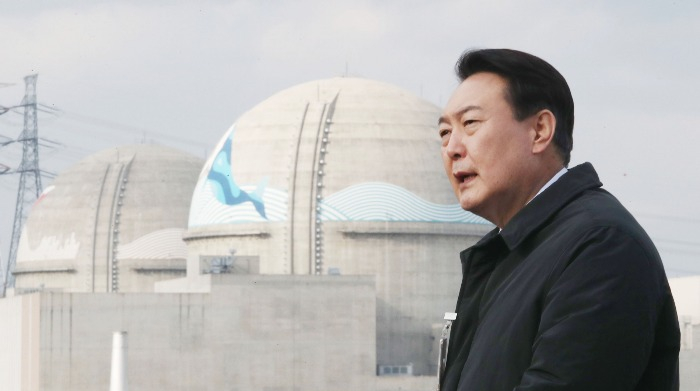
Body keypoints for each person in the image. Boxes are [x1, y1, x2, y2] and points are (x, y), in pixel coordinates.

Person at [437, 48, 680, 391]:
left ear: (539, 130)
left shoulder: (600, 246)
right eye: (444, 133)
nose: (452, 148)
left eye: (470, 123)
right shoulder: (511, 254)